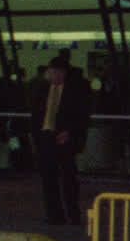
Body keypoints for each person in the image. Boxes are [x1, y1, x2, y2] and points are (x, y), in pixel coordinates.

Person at [31, 54, 92, 226]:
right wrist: (36, 137)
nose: (54, 76)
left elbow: (83, 115)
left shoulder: (75, 91)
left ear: (64, 73)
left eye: (57, 72)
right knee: (48, 179)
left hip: (64, 139)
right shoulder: (42, 90)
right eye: (52, 72)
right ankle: (54, 215)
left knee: (68, 179)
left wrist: (70, 132)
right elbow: (35, 114)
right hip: (46, 137)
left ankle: (73, 214)